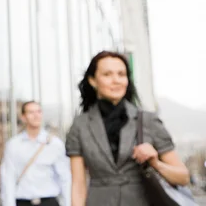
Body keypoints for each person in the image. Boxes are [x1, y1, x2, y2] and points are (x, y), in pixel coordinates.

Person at [66, 51, 190, 206]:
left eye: (121, 74)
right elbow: (78, 184)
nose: (116, 80)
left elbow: (183, 177)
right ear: (92, 80)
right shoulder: (80, 125)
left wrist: (156, 163)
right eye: (107, 74)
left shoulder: (148, 121)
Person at [0, 101, 71, 206]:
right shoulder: (13, 145)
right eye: (31, 112)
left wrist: (67, 203)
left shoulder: (55, 144)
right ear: (23, 117)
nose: (36, 115)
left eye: (38, 111)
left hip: (48, 201)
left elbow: (65, 177)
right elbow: (8, 178)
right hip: (23, 201)